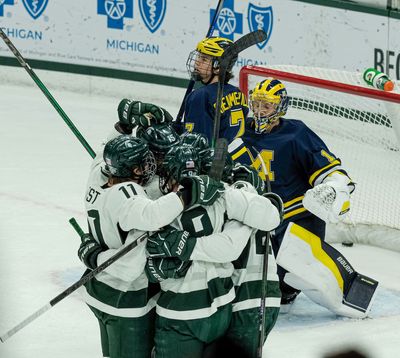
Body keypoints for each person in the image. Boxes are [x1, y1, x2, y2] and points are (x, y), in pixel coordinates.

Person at [229, 78, 378, 318]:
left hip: (294, 221)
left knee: (300, 280)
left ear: (280, 108)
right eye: (256, 104)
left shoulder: (296, 134)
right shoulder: (239, 131)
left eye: (266, 106)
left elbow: (333, 172)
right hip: (255, 217)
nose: (259, 111)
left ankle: (344, 294)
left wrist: (332, 187)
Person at [78, 129, 225, 358]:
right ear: (132, 169)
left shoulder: (97, 176)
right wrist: (188, 194)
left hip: (96, 289)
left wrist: (121, 127)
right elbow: (154, 215)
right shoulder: (130, 198)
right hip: (124, 297)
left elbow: (102, 152)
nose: (151, 168)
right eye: (143, 164)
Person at [145, 144, 283, 358]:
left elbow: (228, 247)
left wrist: (184, 247)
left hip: (247, 297)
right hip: (235, 299)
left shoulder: (228, 201)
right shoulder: (241, 200)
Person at [181, 36, 249, 144]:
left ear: (218, 67)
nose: (197, 62)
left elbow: (196, 144)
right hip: (236, 157)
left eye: (204, 59)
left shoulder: (200, 96)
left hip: (214, 160)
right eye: (198, 57)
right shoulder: (238, 93)